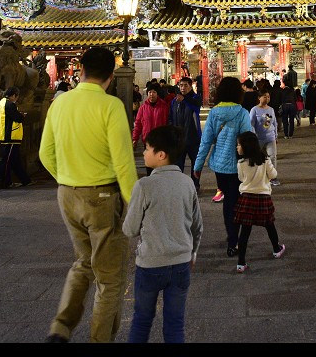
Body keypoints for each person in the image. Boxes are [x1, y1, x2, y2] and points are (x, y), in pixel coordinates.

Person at [40, 46, 138, 343]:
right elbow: (123, 163)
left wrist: (68, 178)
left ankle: (60, 327)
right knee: (109, 278)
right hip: (102, 198)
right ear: (111, 75)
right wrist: (137, 206)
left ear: (80, 69)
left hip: (67, 195)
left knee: (83, 261)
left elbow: (46, 153)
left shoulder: (60, 103)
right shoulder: (110, 107)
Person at [123, 125, 203, 343]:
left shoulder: (145, 185)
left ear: (161, 155)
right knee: (175, 324)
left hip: (150, 265)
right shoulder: (187, 183)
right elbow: (197, 226)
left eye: (147, 148)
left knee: (141, 321)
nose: (143, 152)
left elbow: (129, 229)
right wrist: (193, 253)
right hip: (181, 264)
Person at [192, 76, 250, 257]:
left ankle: (232, 239)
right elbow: (248, 140)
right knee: (238, 202)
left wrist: (198, 165)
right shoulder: (242, 113)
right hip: (238, 167)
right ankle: (236, 238)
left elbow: (206, 141)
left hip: (220, 166)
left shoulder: (214, 113)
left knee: (228, 204)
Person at [233, 131, 286, 273]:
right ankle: (276, 249)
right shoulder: (265, 160)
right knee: (269, 225)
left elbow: (241, 178)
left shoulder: (241, 163)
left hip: (247, 199)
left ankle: (241, 263)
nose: (237, 147)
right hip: (263, 197)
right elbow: (274, 174)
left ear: (246, 146)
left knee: (245, 231)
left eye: (238, 145)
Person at [169, 76, 203, 190]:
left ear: (190, 86)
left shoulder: (195, 98)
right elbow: (171, 117)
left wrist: (184, 99)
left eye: (185, 85)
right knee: (178, 164)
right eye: (181, 85)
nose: (183, 88)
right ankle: (179, 185)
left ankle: (195, 185)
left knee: (195, 164)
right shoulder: (175, 101)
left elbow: (196, 106)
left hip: (193, 138)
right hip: (179, 139)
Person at [0, 87, 31, 188]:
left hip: (5, 134)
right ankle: (6, 182)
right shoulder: (10, 104)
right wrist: (22, 116)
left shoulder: (1, 102)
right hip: (10, 136)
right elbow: (17, 118)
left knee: (15, 160)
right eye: (17, 96)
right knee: (7, 161)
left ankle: (25, 180)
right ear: (13, 95)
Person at [132, 87, 171, 175]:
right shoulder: (143, 107)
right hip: (147, 140)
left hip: (160, 140)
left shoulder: (164, 106)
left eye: (154, 92)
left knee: (160, 163)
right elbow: (138, 124)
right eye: (149, 92)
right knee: (149, 163)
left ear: (157, 94)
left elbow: (167, 122)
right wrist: (135, 138)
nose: (151, 94)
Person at [249, 90, 279, 186]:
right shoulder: (254, 110)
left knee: (272, 157)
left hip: (270, 137)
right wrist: (253, 135)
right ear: (259, 98)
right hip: (258, 138)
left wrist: (276, 135)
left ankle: (272, 177)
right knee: (256, 157)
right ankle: (256, 177)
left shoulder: (271, 109)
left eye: (268, 97)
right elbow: (251, 124)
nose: (267, 98)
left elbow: (274, 123)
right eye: (265, 96)